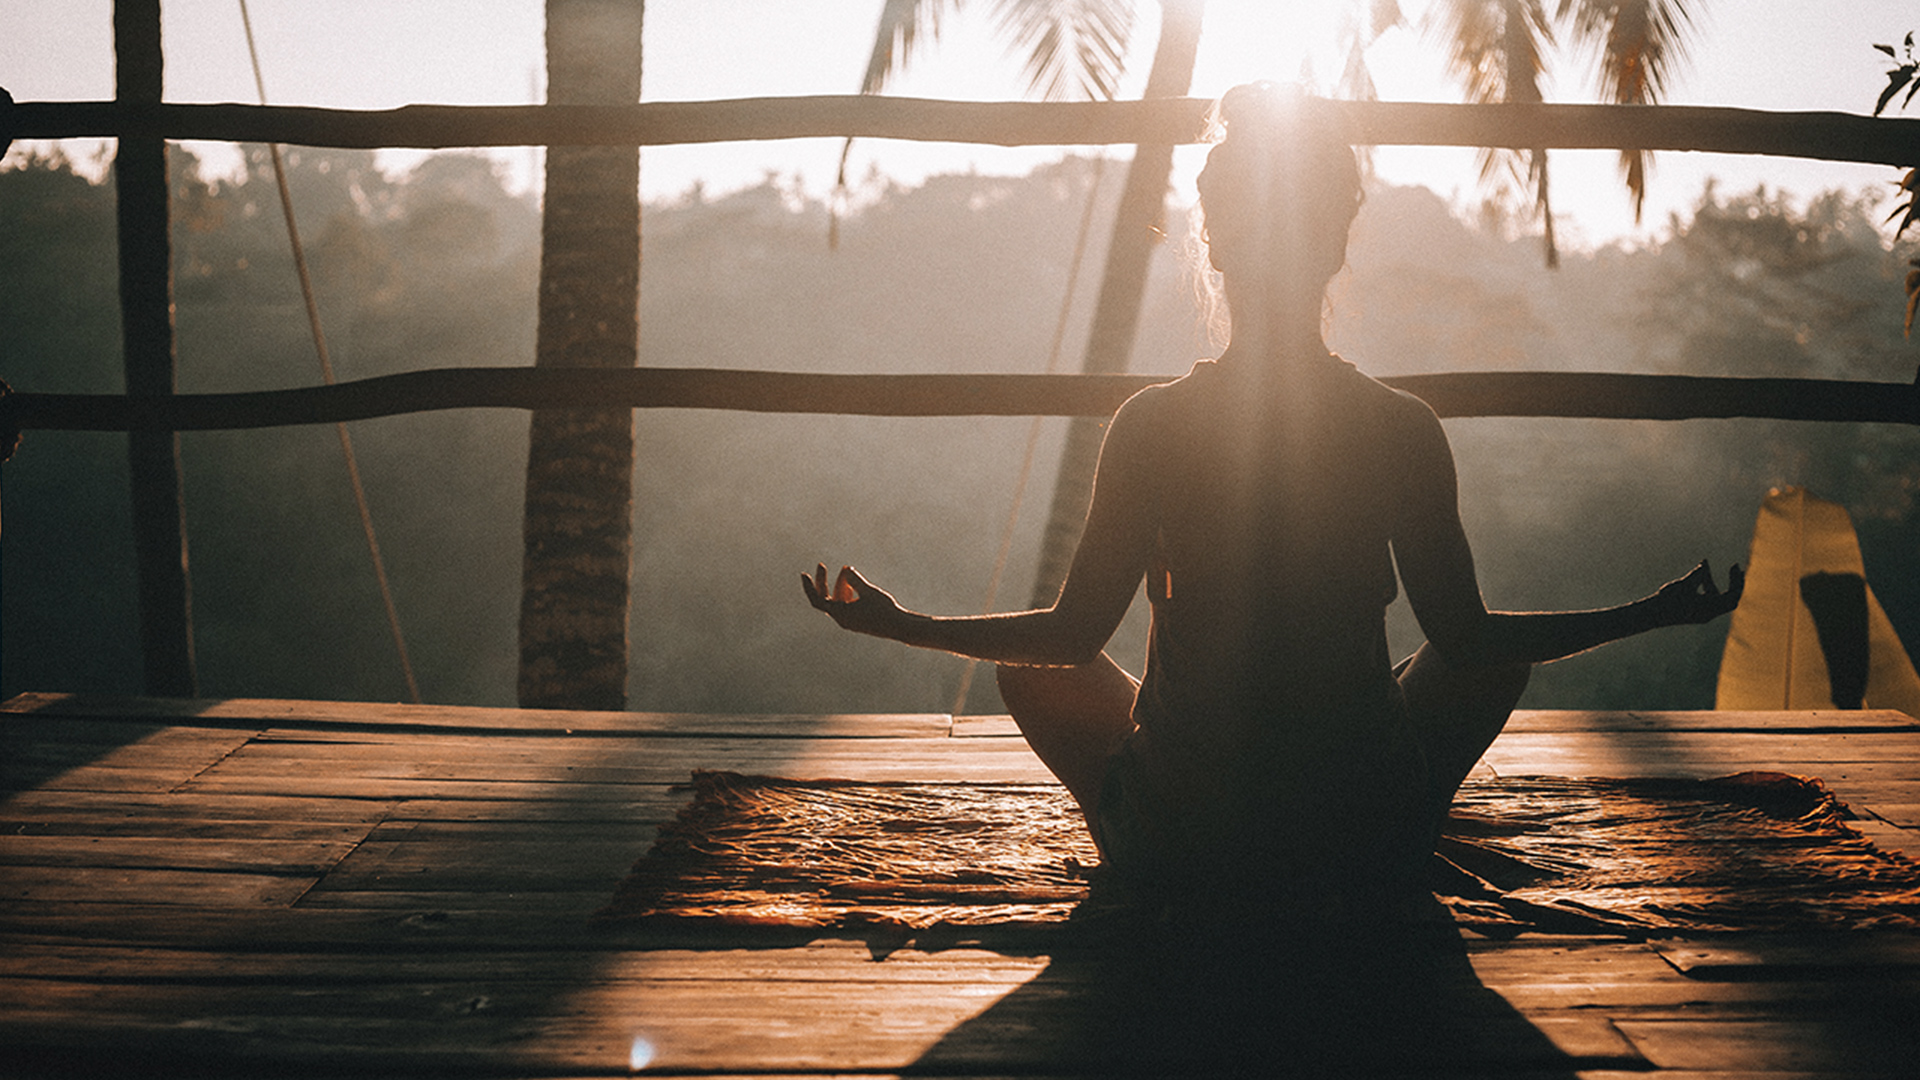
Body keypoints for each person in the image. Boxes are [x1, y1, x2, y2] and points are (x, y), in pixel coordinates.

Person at [804, 82, 1741, 908]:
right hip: (1361, 840)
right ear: (1336, 246)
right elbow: (1468, 641)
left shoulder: (1152, 424)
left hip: (1186, 843)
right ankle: (1396, 818)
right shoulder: (1400, 426)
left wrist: (902, 624)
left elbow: (1071, 637)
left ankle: (1143, 831)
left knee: (1032, 670)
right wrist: (1651, 612)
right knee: (1490, 659)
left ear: (1215, 244)